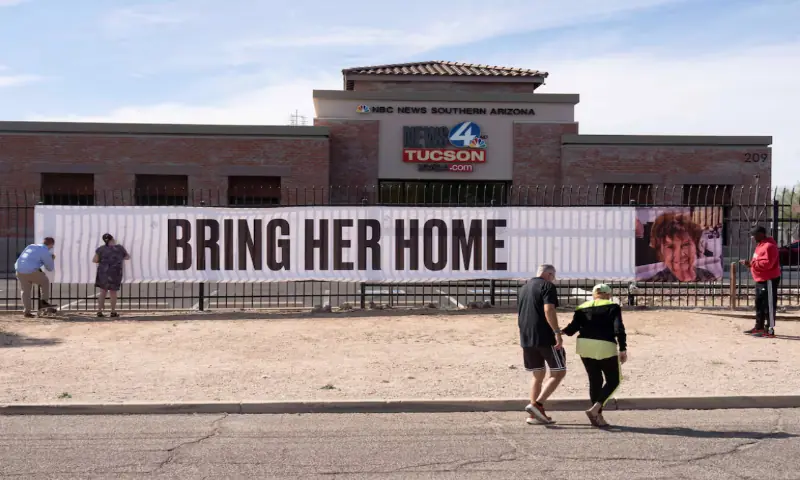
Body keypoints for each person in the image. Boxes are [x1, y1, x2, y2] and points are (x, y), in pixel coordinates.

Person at [562, 284, 627, 428]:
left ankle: (598, 416)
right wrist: (623, 348)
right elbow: (618, 328)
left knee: (595, 380)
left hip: (584, 346)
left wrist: (560, 332)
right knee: (614, 380)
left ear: (593, 294)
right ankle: (596, 409)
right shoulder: (613, 307)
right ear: (608, 295)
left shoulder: (582, 307)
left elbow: (572, 328)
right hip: (605, 346)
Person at [517, 264, 566, 425]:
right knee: (559, 372)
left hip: (526, 336)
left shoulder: (524, 288)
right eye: (553, 276)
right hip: (545, 336)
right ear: (548, 274)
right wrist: (557, 332)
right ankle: (537, 404)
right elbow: (549, 309)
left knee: (537, 375)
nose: (554, 279)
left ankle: (534, 415)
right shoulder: (547, 286)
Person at [645, 212, 717, 282]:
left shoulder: (707, 276)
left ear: (695, 245)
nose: (680, 254)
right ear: (660, 252)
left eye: (686, 245)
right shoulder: (656, 283)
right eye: (670, 247)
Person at [740, 226, 781, 338]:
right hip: (760, 279)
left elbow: (768, 264)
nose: (753, 237)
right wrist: (750, 264)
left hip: (769, 279)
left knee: (769, 305)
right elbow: (758, 261)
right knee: (759, 304)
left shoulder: (769, 246)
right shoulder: (760, 245)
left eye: (754, 235)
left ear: (761, 234)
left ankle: (769, 330)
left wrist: (751, 264)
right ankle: (759, 327)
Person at [14, 237, 57, 317]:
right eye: (52, 246)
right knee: (45, 281)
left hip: (19, 270)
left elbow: (29, 258)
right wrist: (51, 259)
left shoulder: (31, 246)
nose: (51, 248)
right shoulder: (45, 251)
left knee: (25, 291)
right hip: (30, 270)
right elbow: (50, 268)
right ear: (51, 244)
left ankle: (27, 311)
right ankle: (44, 303)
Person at [93, 233, 130, 318]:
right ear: (112, 239)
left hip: (103, 273)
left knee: (103, 292)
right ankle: (113, 311)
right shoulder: (119, 248)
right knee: (113, 292)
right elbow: (127, 257)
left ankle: (99, 311)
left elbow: (95, 260)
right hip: (115, 272)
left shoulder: (101, 249)